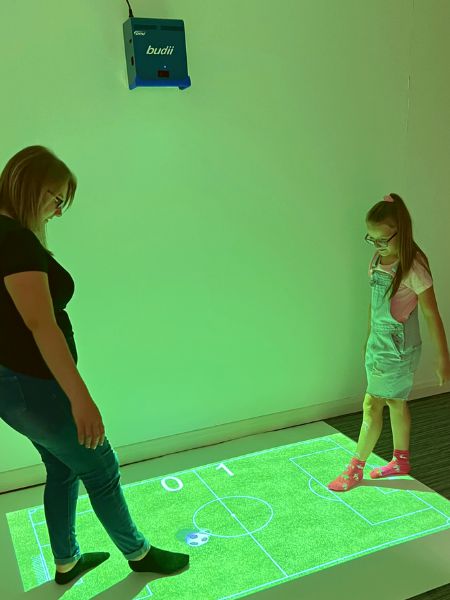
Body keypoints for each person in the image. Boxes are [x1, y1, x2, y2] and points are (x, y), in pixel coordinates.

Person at [0, 147, 449, 586]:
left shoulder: (9, 234)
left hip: (19, 386)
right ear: (33, 187)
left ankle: (66, 560)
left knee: (63, 468)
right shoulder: (16, 240)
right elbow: (41, 324)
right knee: (101, 469)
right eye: (56, 199)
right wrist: (80, 398)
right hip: (34, 385)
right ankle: (138, 554)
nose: (58, 211)